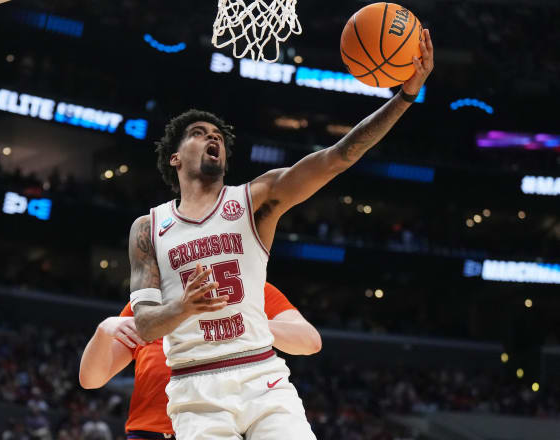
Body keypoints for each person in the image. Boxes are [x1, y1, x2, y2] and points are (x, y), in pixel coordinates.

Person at [129, 30, 434, 440]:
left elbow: (337, 157)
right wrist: (183, 308)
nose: (213, 137)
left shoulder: (255, 200)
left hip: (261, 377)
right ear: (175, 156)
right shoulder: (149, 227)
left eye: (217, 136)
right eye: (200, 133)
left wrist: (404, 97)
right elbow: (145, 326)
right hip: (194, 387)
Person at [79, 282, 321, 439]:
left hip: (223, 429)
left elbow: (310, 341)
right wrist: (104, 330)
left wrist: (246, 322)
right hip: (150, 433)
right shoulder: (150, 300)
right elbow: (90, 379)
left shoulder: (251, 289)